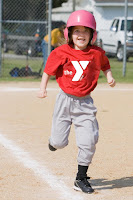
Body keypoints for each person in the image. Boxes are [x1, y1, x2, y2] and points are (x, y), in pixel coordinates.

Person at [38, 10, 115, 194]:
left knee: (89, 140)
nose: (81, 35)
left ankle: (80, 178)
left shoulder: (96, 53)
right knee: (58, 142)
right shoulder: (61, 52)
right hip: (65, 100)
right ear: (69, 34)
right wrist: (43, 88)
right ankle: (53, 142)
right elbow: (48, 71)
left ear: (92, 35)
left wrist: (109, 76)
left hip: (85, 103)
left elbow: (105, 64)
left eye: (85, 31)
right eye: (76, 31)